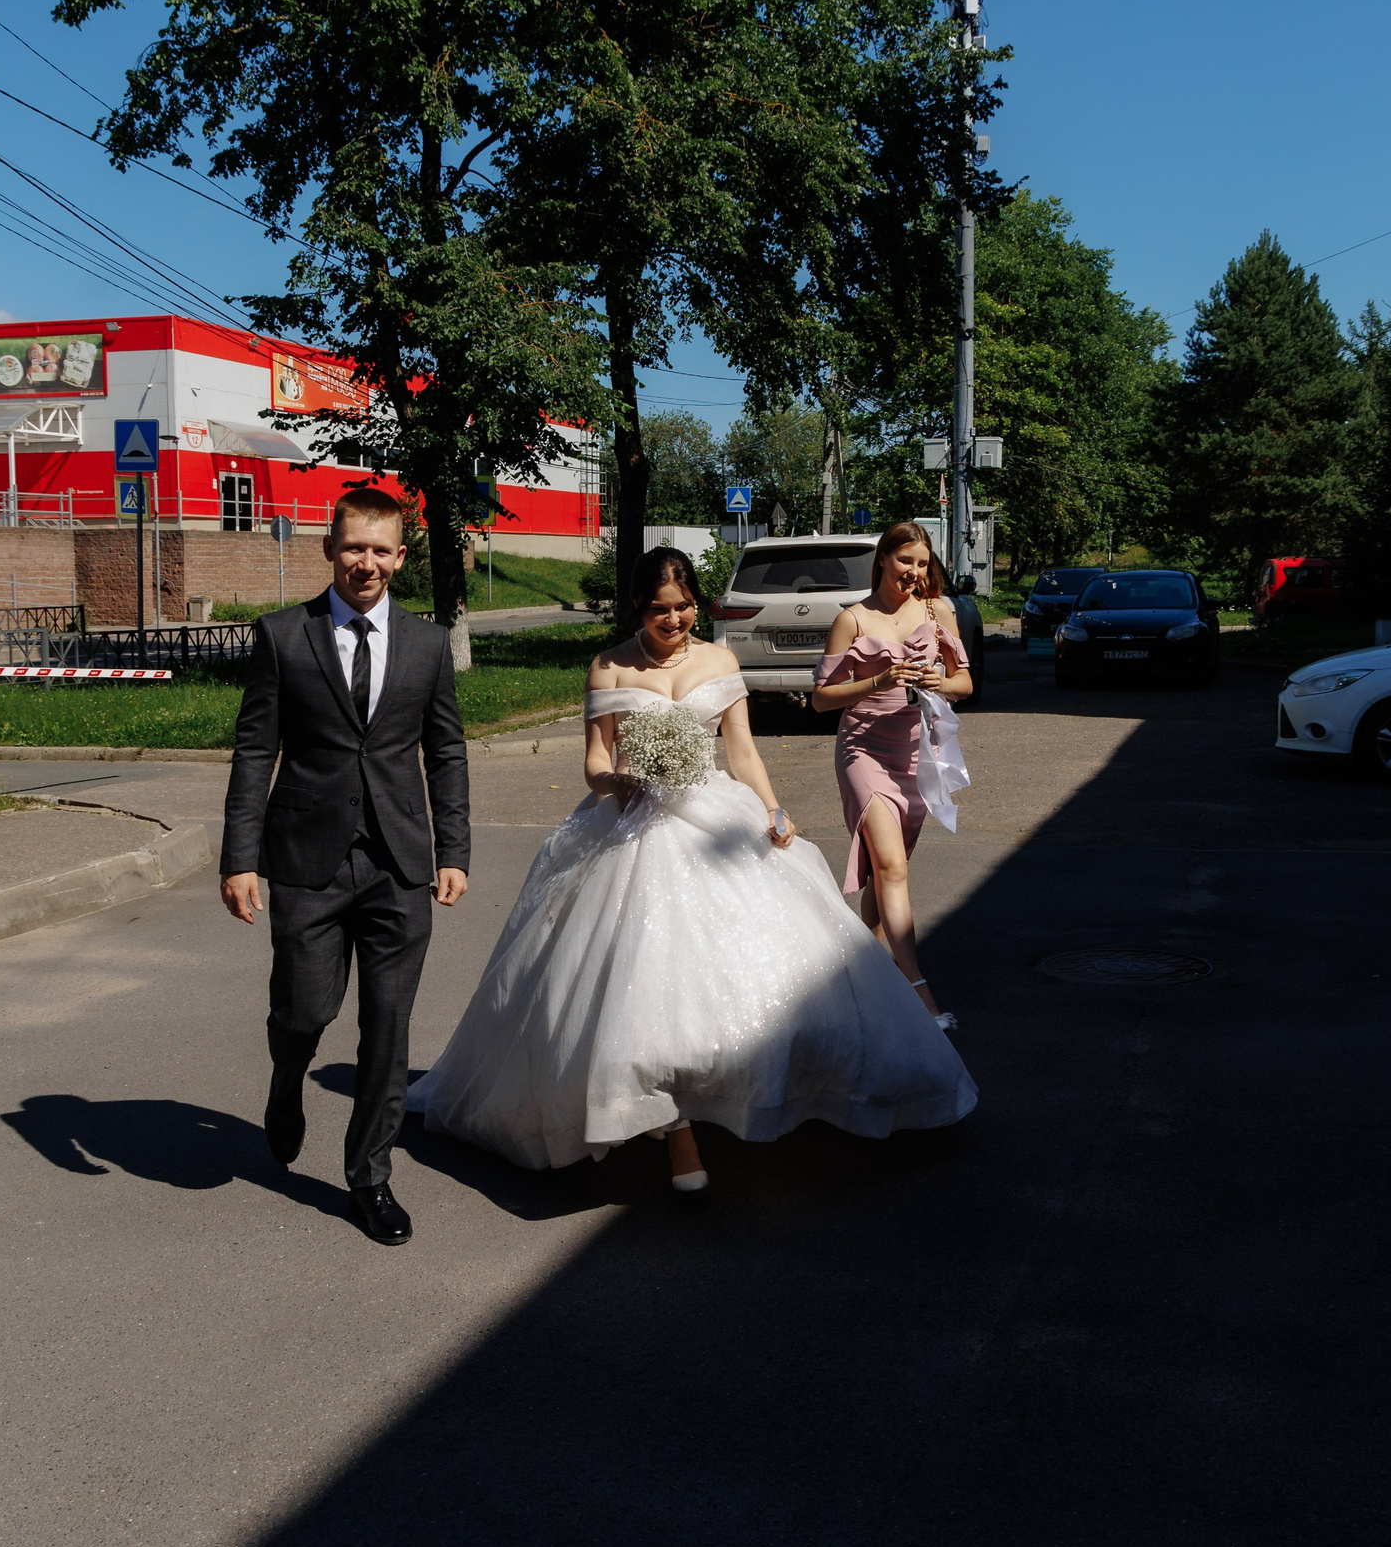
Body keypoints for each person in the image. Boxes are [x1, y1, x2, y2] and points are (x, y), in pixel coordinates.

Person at [408, 546, 975, 1194]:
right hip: (634, 821)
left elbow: (742, 753)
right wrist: (625, 778)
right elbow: (594, 762)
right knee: (642, 983)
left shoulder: (719, 661)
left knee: (763, 973)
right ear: (638, 610)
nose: (672, 621)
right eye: (658, 611)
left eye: (682, 608)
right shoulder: (607, 666)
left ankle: (769, 1091)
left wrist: (772, 810)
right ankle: (676, 1130)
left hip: (717, 819)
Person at [221, 487, 470, 1246]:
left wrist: (453, 850)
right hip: (306, 860)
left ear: (400, 556)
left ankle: (370, 1178)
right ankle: (286, 1077)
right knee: (306, 1009)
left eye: (381, 549)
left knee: (388, 1029)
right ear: (330, 548)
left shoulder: (427, 645)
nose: (367, 562)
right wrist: (240, 858)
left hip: (398, 861)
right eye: (353, 546)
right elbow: (256, 748)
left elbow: (446, 749)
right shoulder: (283, 635)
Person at [809, 521, 973, 1029]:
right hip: (863, 750)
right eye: (905, 561)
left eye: (923, 563)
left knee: (886, 878)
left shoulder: (936, 612)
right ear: (882, 559)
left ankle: (869, 968)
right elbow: (819, 698)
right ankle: (917, 994)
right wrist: (877, 680)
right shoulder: (852, 620)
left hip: (917, 753)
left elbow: (965, 683)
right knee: (891, 866)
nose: (915, 572)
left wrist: (940, 682)